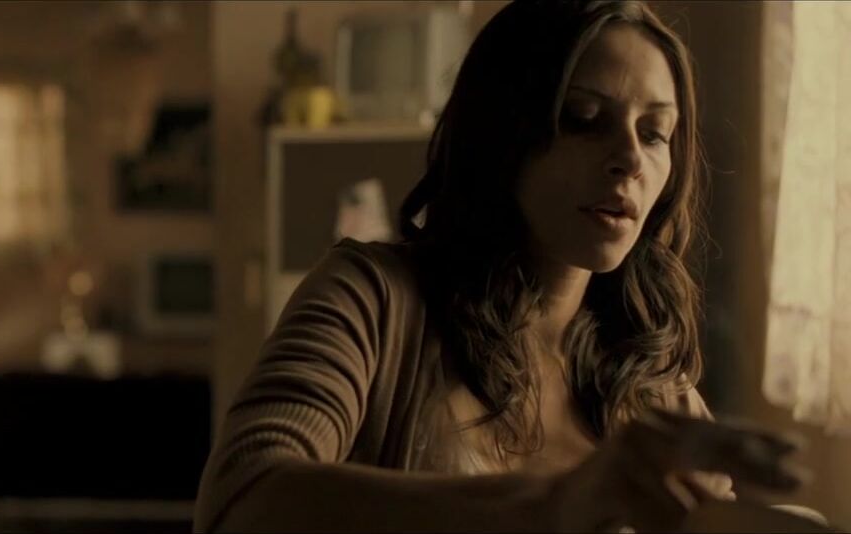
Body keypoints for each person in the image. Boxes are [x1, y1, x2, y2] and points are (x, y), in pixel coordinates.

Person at [194, 2, 814, 532]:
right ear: (502, 132)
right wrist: (554, 504)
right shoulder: (376, 304)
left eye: (655, 133)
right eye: (583, 119)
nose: (630, 158)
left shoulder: (656, 388)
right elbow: (241, 502)